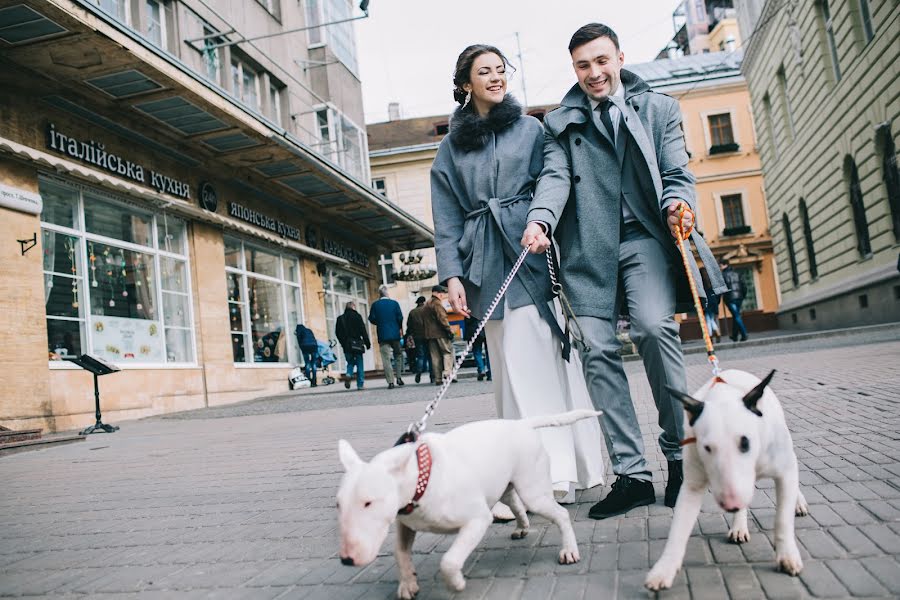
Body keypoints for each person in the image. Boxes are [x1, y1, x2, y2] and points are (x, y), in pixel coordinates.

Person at [521, 23, 727, 518]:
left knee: (655, 329)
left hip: (644, 241)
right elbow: (553, 178)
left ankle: (680, 458)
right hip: (585, 253)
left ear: (618, 58)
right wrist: (540, 219)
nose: (593, 73)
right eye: (582, 65)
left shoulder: (659, 109)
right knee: (597, 350)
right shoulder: (559, 123)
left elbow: (677, 173)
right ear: (574, 68)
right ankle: (631, 474)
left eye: (601, 61)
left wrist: (679, 203)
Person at [431, 44, 605, 505]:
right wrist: (452, 277)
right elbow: (445, 219)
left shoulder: (531, 129)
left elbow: (554, 176)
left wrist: (540, 219)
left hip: (531, 251)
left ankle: (564, 472)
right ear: (466, 84)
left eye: (500, 70)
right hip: (484, 263)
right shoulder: (450, 148)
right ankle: (524, 476)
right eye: (483, 72)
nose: (495, 77)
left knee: (546, 359)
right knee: (509, 368)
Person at [368, 285, 405, 389]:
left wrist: (380, 323)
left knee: (386, 358)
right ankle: (399, 377)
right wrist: (398, 328)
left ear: (379, 294)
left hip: (383, 334)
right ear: (387, 293)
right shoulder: (394, 304)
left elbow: (372, 318)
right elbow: (400, 317)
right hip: (395, 334)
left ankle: (390, 382)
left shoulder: (375, 305)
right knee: (398, 355)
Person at [422, 285, 455, 385]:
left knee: (435, 357)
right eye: (441, 293)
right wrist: (449, 330)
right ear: (436, 293)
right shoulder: (437, 303)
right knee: (447, 352)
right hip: (440, 333)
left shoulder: (426, 304)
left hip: (430, 335)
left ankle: (438, 379)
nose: (442, 295)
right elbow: (442, 318)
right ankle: (447, 372)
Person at [335, 301, 370, 390]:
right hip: (357, 344)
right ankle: (360, 384)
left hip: (347, 345)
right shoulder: (357, 316)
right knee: (359, 364)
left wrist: (343, 343)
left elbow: (337, 333)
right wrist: (367, 343)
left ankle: (348, 374)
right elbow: (363, 331)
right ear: (353, 307)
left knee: (350, 362)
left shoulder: (340, 318)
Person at [405, 295, 432, 383]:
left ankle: (419, 372)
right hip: (429, 336)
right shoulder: (428, 310)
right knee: (430, 356)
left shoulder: (412, 312)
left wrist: (409, 334)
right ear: (424, 302)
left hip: (417, 337)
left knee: (420, 356)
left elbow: (409, 326)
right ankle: (432, 376)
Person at [720, 258, 749, 342]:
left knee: (736, 316)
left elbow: (721, 289)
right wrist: (743, 296)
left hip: (730, 298)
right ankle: (735, 335)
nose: (720, 267)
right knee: (735, 315)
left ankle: (744, 334)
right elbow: (744, 285)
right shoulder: (737, 273)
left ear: (725, 265)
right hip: (739, 298)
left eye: (720, 265)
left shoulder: (723, 275)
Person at [464, 315, 491, 381]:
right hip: (486, 330)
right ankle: (490, 373)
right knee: (489, 352)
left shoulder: (469, 308)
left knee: (477, 351)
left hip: (474, 332)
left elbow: (467, 322)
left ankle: (481, 370)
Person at [702, 273, 721, 344]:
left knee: (708, 321)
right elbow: (718, 295)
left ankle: (710, 337)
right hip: (713, 304)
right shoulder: (712, 282)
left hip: (707, 304)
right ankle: (717, 333)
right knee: (711, 320)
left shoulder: (702, 284)